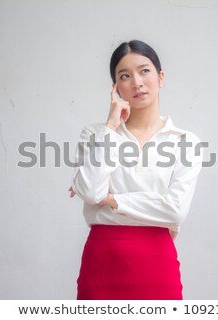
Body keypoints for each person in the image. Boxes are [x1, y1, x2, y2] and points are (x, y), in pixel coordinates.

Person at [69, 40, 203, 300]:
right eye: (125, 76)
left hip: (157, 260)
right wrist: (110, 127)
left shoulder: (185, 142)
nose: (137, 82)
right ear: (115, 88)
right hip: (102, 260)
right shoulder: (96, 134)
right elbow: (91, 191)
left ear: (160, 77)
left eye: (144, 71)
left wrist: (111, 199)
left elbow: (175, 210)